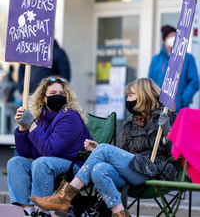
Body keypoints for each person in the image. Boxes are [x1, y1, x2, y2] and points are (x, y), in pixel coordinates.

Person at [30, 78, 178, 217]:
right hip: (134, 169)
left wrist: (167, 131)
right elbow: (125, 151)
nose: (127, 100)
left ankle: (65, 196)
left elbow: (176, 151)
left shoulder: (164, 116)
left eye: (131, 95)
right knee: (99, 168)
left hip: (153, 168)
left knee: (104, 150)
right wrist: (99, 149)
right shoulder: (130, 121)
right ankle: (120, 214)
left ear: (143, 96)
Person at [7, 76, 92, 217]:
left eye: (62, 94)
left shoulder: (70, 116)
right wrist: (22, 128)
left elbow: (50, 150)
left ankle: (43, 212)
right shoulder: (41, 117)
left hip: (74, 167)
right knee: (16, 162)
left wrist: (32, 125)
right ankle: (29, 212)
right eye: (53, 93)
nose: (57, 97)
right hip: (46, 164)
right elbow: (24, 152)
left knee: (42, 163)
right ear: (43, 97)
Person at [148, 25, 199, 111]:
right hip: (158, 109)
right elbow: (150, 83)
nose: (174, 38)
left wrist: (183, 99)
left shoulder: (187, 58)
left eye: (176, 36)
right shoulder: (156, 60)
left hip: (179, 109)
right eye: (171, 36)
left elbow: (194, 82)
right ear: (165, 39)